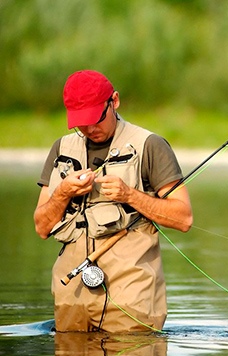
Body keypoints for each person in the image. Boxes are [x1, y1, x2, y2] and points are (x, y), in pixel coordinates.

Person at [34, 70, 193, 332]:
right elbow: (41, 227)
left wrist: (129, 195)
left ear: (115, 101)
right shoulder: (60, 149)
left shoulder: (150, 145)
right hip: (71, 295)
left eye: (96, 119)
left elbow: (184, 218)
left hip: (132, 298)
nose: (90, 129)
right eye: (81, 122)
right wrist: (62, 192)